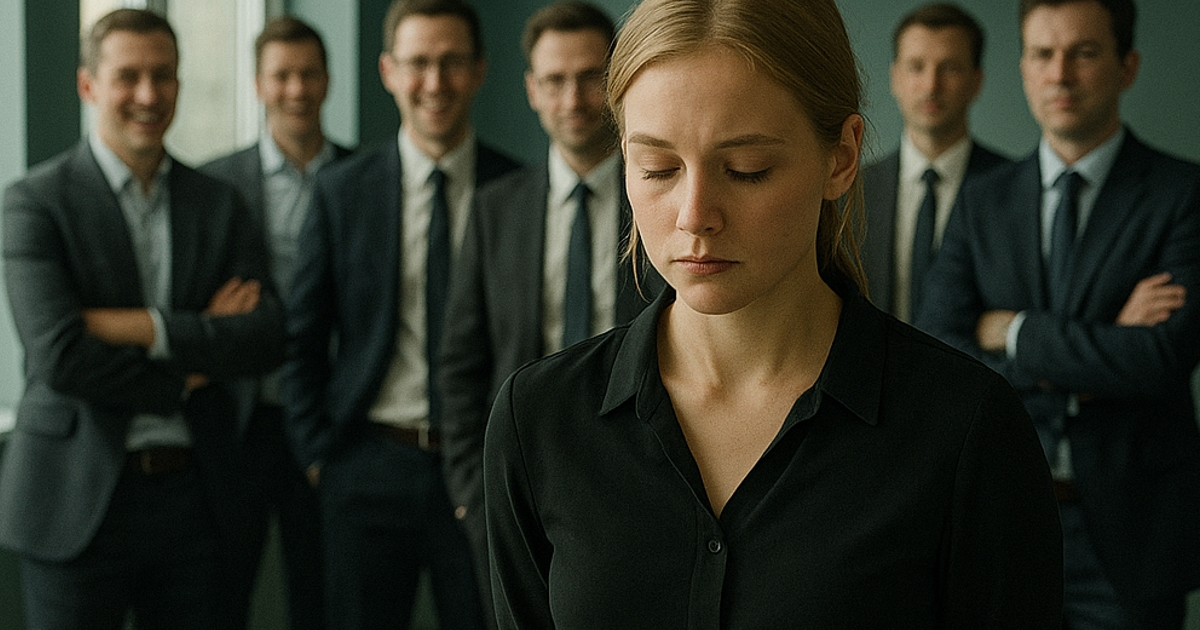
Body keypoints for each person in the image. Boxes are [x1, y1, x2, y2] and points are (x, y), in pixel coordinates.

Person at [483, 0, 1063, 626]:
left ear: (840, 158)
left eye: (746, 170)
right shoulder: (538, 420)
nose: (694, 214)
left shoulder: (964, 429)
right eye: (657, 169)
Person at [916, 0, 1200, 627]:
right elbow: (937, 347)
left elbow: (1159, 360)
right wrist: (1100, 347)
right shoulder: (981, 201)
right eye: (1043, 54)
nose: (1060, 74)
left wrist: (1013, 331)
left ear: (1128, 66)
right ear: (1021, 67)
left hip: (1130, 538)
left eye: (1085, 52)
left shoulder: (1184, 195)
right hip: (1000, 521)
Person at [0, 8, 284, 629]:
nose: (149, 95)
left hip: (197, 500)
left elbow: (262, 337)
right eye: (128, 76)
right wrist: (185, 371)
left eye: (165, 76)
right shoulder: (33, 203)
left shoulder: (219, 202)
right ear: (88, 86)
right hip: (73, 501)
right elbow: (60, 354)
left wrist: (140, 328)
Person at [280, 0, 520, 627]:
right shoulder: (341, 190)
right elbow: (302, 337)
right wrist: (319, 457)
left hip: (483, 469)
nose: (434, 84)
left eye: (451, 63)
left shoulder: (518, 190)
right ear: (388, 71)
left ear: (479, 70)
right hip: (366, 465)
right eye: (418, 64)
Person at [438, 2, 663, 619]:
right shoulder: (494, 209)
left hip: (645, 476)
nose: (574, 98)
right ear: (532, 90)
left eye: (591, 76)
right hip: (520, 484)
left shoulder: (665, 200)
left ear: (617, 85)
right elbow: (461, 364)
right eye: (554, 80)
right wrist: (471, 495)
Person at [201, 15, 352, 630]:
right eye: (281, 76)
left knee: (321, 594)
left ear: (328, 80)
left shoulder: (361, 177)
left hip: (326, 415)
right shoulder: (214, 184)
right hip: (241, 418)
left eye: (308, 74)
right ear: (259, 85)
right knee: (224, 590)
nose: (296, 89)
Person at [861, 2, 1008, 322]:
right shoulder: (852, 191)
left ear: (976, 81)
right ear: (895, 78)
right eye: (916, 67)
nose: (931, 86)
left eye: (950, 68)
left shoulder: (1014, 189)